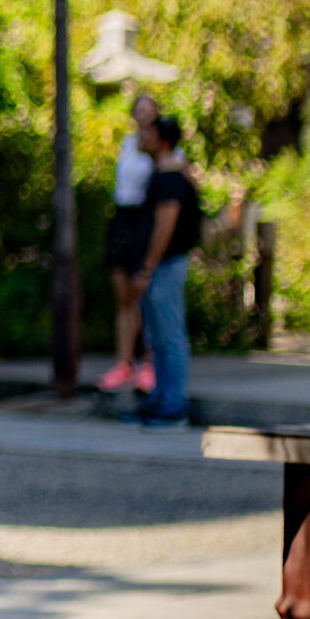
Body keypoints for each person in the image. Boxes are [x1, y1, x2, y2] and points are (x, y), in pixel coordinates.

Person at [127, 115, 202, 429]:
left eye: (149, 132)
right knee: (155, 338)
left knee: (169, 337)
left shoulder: (171, 178)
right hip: (157, 267)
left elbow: (164, 227)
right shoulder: (163, 174)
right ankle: (159, 399)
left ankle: (174, 405)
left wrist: (147, 268)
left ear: (163, 140)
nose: (141, 137)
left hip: (165, 266)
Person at [96, 93, 162, 393]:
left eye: (150, 111)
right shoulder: (126, 143)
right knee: (123, 295)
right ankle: (124, 363)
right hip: (121, 216)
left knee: (143, 293)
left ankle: (150, 362)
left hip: (143, 218)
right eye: (140, 110)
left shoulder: (162, 148)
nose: (144, 115)